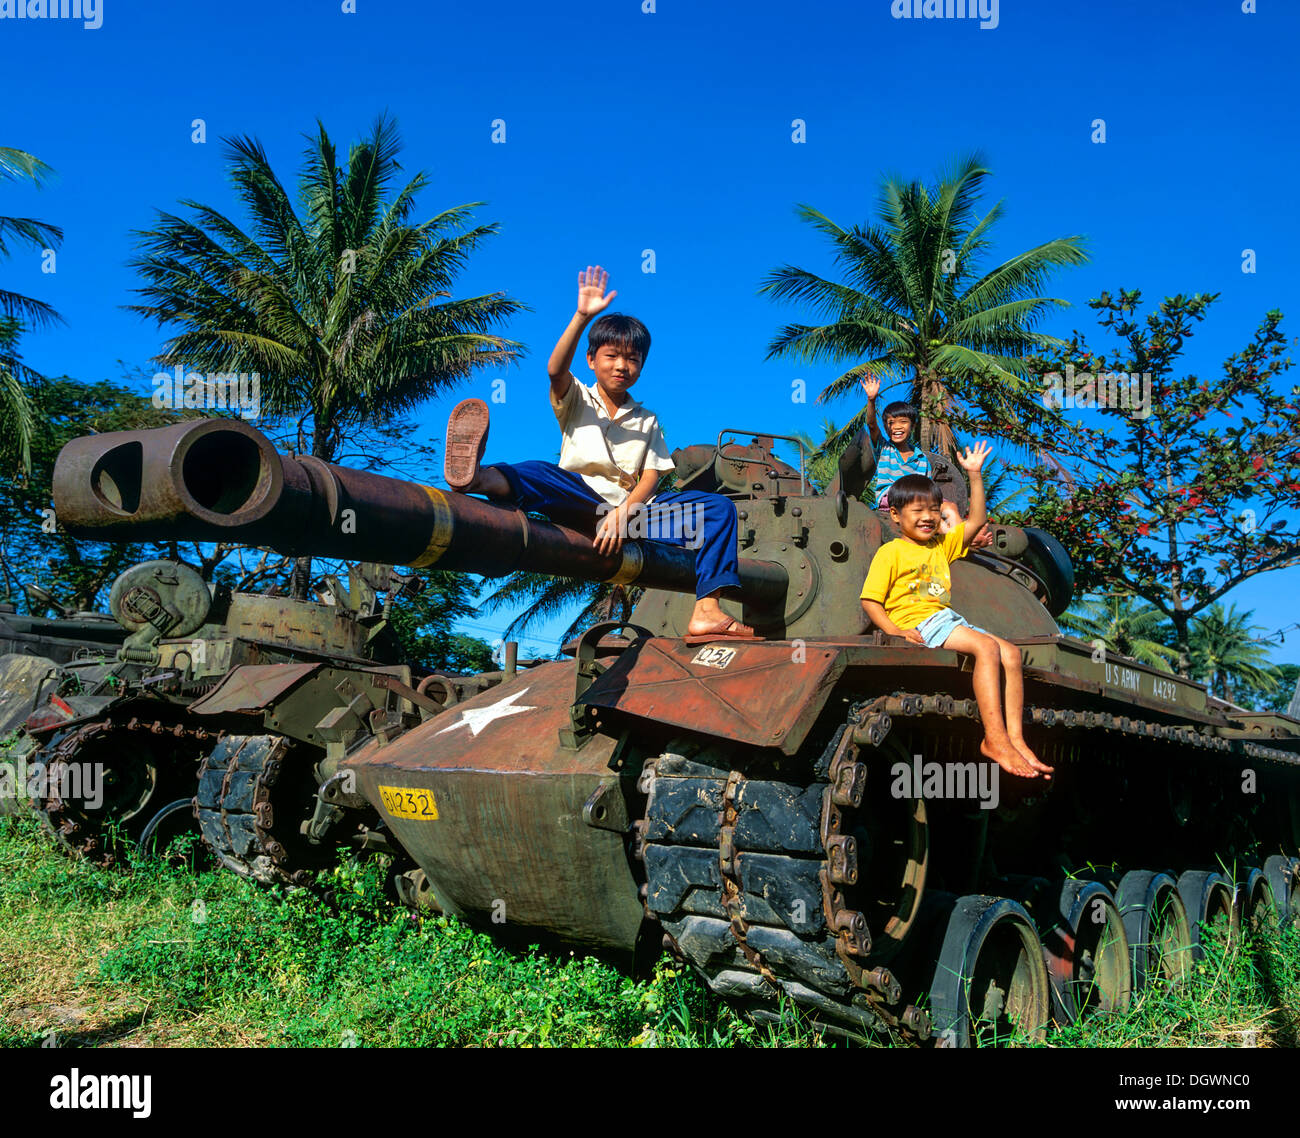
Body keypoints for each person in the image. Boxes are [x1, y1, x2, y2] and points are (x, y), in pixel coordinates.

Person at [443, 265, 756, 642]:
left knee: (718, 510)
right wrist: (581, 316)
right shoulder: (577, 398)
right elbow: (555, 369)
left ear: (641, 366)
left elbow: (652, 478)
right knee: (538, 471)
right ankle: (476, 477)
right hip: (577, 498)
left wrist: (625, 514)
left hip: (634, 516)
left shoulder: (647, 419)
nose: (622, 366)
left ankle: (706, 610)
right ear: (591, 360)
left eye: (633, 359)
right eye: (612, 356)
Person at [859, 445, 1053, 781]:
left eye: (934, 510)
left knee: (1010, 653)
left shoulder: (941, 545)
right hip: (917, 621)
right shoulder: (892, 552)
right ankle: (993, 739)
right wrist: (893, 629)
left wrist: (974, 475)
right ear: (895, 515)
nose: (928, 517)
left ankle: (1015, 739)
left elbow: (976, 520)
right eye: (917, 510)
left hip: (944, 618)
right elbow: (871, 600)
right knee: (987, 648)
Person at [860, 375, 992, 546]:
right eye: (891, 423)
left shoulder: (922, 459)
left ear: (912, 426)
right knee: (930, 512)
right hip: (892, 497)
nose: (897, 427)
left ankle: (965, 537)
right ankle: (966, 540)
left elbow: (928, 489)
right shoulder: (884, 448)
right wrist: (871, 399)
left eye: (903, 422)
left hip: (920, 498)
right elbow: (871, 424)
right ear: (886, 427)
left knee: (949, 507)